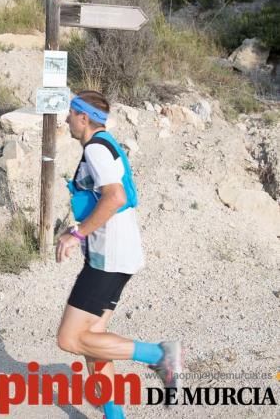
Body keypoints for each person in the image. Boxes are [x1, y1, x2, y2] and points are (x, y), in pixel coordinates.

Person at [56, 90, 181, 419]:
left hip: (108, 258)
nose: (66, 118)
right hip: (115, 254)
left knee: (70, 339)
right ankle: (115, 417)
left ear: (83, 118)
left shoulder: (96, 148)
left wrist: (76, 234)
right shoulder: (105, 144)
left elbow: (115, 196)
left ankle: (158, 355)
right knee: (92, 341)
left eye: (70, 113)